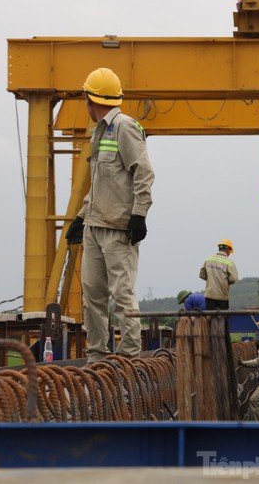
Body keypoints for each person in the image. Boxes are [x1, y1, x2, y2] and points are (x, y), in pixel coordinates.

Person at [65, 67, 155, 362]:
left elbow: (144, 172)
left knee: (122, 293)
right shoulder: (100, 131)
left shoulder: (126, 128)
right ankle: (97, 358)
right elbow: (103, 182)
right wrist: (81, 216)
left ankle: (129, 358)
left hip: (118, 228)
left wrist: (139, 214)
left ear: (91, 99)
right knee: (93, 295)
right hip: (95, 225)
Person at [199, 239, 238, 310]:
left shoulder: (208, 259)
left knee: (210, 317)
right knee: (223, 318)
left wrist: (210, 279)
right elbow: (233, 278)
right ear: (228, 249)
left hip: (209, 295)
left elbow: (202, 275)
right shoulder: (229, 262)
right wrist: (225, 281)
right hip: (222, 296)